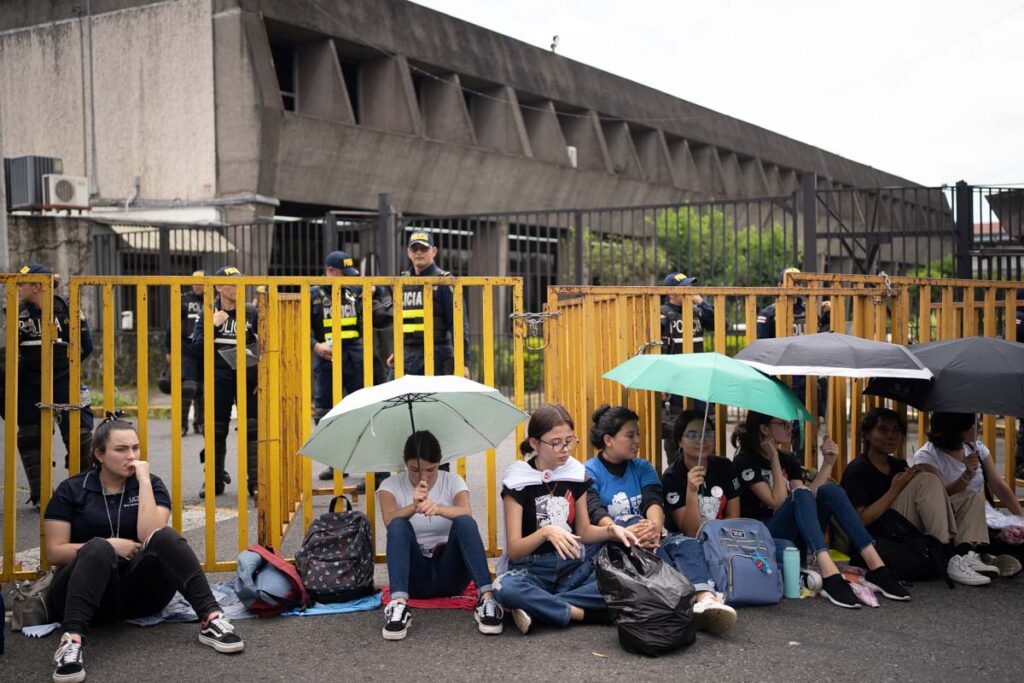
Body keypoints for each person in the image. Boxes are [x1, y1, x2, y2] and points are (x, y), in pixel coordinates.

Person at [44, 415, 243, 683]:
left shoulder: (150, 484)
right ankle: (71, 641)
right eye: (121, 449)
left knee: (167, 537)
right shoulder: (72, 489)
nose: (131, 456)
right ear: (99, 454)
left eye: (135, 448)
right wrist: (109, 546)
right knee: (98, 548)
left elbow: (150, 534)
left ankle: (211, 619)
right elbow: (54, 552)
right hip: (81, 597)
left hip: (137, 596)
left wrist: (144, 481)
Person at [732, 410, 910, 608]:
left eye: (791, 423)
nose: (790, 428)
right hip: (766, 537)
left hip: (795, 534)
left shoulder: (788, 459)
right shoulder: (745, 461)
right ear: (765, 428)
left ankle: (877, 567)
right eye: (783, 424)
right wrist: (774, 458)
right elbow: (777, 502)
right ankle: (829, 574)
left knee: (830, 490)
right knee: (799, 493)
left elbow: (808, 497)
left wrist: (828, 463)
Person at [585, 405, 736, 634]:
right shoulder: (590, 471)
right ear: (608, 440)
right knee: (636, 528)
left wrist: (655, 526)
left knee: (686, 543)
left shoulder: (643, 467)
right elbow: (596, 512)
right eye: (630, 435)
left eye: (638, 434)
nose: (637, 440)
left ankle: (706, 599)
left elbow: (652, 501)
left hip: (650, 535)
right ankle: (678, 602)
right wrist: (623, 531)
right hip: (616, 541)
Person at [493, 404, 636, 634]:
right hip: (532, 572)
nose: (565, 449)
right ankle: (578, 612)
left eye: (569, 440)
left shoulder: (574, 473)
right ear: (534, 443)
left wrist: (613, 531)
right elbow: (516, 549)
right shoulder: (518, 480)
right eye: (555, 442)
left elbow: (585, 532)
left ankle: (540, 606)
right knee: (505, 587)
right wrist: (546, 532)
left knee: (623, 575)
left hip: (572, 568)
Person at [840, 408, 999, 585]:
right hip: (882, 530)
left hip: (903, 525)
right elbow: (861, 521)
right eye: (883, 430)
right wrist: (897, 488)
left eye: (896, 431)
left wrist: (966, 475)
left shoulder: (897, 464)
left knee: (969, 497)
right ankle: (944, 552)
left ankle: (963, 554)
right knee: (927, 480)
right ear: (867, 434)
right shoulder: (858, 470)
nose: (891, 435)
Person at [376, 431, 503, 640]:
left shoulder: (452, 481)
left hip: (449, 572)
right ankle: (399, 605)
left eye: (431, 470)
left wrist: (438, 508)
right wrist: (413, 507)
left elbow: (466, 512)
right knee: (399, 525)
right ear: (405, 464)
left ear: (439, 464)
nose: (423, 477)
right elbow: (389, 520)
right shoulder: (390, 485)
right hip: (414, 576)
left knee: (464, 522)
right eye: (415, 470)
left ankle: (487, 598)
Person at [15, 263, 95, 507]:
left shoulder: (68, 310)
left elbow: (86, 345)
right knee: (29, 434)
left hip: (63, 377)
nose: (17, 287)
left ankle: (82, 488)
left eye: (22, 283)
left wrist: (67, 369)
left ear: (38, 286)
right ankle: (40, 493)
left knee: (79, 432)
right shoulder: (17, 313)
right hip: (28, 380)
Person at [911, 411, 1024, 579]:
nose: (977, 426)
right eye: (972, 424)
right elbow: (940, 493)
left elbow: (998, 485)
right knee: (1000, 539)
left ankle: (990, 557)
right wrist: (966, 476)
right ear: (957, 428)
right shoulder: (926, 455)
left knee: (1016, 534)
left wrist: (1020, 516)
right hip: (952, 516)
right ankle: (984, 555)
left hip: (982, 512)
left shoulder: (975, 447)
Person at [313, 251, 385, 483]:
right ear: (332, 272)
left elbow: (383, 304)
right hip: (327, 358)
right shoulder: (314, 294)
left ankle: (370, 468)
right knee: (326, 412)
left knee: (362, 411)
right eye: (345, 274)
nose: (350, 278)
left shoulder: (354, 290)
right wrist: (315, 346)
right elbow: (303, 327)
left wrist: (376, 290)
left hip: (354, 356)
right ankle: (337, 462)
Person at [191, 266, 258, 499]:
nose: (239, 288)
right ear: (219, 287)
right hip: (218, 377)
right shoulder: (208, 312)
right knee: (216, 428)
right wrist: (213, 324)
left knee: (252, 427)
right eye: (233, 284)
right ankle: (213, 479)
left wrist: (261, 378)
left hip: (247, 376)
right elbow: (196, 348)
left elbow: (266, 347)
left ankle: (256, 482)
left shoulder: (252, 313)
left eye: (241, 283)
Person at [386, 231, 469, 379]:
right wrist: (398, 349)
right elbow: (402, 321)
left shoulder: (445, 282)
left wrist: (463, 362)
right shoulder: (402, 282)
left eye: (424, 249)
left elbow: (458, 325)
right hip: (406, 355)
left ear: (434, 251)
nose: (419, 253)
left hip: (436, 354)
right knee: (393, 400)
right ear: (409, 253)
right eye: (414, 249)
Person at [659, 272, 715, 462]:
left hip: (698, 382)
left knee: (703, 426)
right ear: (671, 293)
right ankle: (678, 473)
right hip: (674, 384)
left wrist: (701, 302)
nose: (689, 292)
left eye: (690, 288)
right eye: (684, 288)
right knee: (677, 431)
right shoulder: (663, 313)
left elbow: (720, 322)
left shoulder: (697, 311)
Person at [661, 410, 741, 537]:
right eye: (692, 435)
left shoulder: (725, 466)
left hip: (723, 539)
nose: (702, 440)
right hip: (686, 544)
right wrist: (691, 491)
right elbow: (691, 532)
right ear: (679, 441)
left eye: (708, 434)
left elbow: (733, 516)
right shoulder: (671, 477)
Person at [165, 271, 205, 437]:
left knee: (203, 388)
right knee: (188, 387)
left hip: (205, 348)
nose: (197, 285)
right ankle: (182, 425)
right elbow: (171, 324)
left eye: (201, 282)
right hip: (186, 347)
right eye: (194, 282)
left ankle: (201, 423)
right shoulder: (183, 299)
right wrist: (168, 349)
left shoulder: (213, 300)